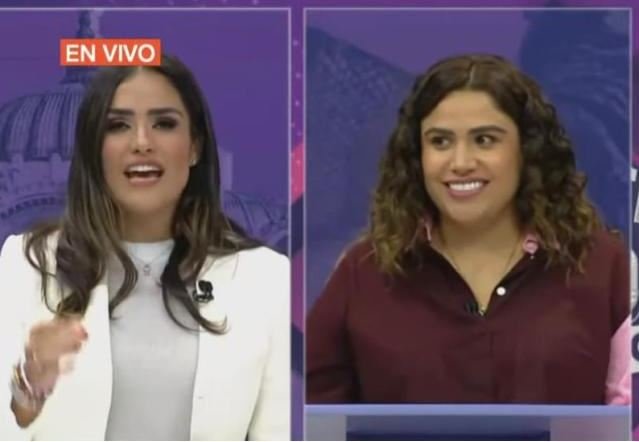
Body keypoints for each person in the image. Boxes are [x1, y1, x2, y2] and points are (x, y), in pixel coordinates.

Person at [306, 54, 630, 404]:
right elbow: (317, 415)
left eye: (485, 140)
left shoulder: (605, 265)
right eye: (440, 141)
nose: (460, 163)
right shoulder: (363, 272)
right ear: (417, 156)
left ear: (528, 150)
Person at [0, 54, 290, 440]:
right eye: (118, 126)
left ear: (195, 146)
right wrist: (29, 387)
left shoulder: (265, 277)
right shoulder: (27, 264)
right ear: (93, 151)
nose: (141, 143)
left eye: (163, 124)